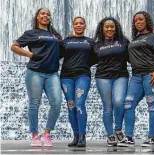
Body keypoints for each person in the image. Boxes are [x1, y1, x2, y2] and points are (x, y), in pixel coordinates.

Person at [10, 8, 62, 147]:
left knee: (56, 103)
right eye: (42, 14)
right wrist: (30, 55)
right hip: (35, 72)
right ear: (37, 17)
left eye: (48, 14)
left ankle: (47, 133)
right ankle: (34, 135)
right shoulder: (31, 33)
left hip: (52, 73)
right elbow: (14, 47)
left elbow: (61, 51)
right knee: (34, 104)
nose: (45, 16)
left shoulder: (54, 35)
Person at [117, 11, 154, 147]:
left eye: (140, 19)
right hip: (136, 76)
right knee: (128, 104)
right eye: (135, 20)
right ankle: (129, 137)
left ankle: (151, 138)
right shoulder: (134, 39)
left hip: (151, 75)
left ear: (147, 21)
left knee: (152, 105)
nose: (138, 22)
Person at [93, 17, 130, 146]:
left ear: (116, 28)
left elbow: (134, 56)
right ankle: (110, 135)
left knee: (119, 102)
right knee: (108, 107)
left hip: (120, 76)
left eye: (112, 26)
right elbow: (86, 59)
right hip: (103, 77)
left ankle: (118, 130)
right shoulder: (96, 45)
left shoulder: (124, 41)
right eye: (107, 27)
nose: (109, 29)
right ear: (102, 29)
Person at [60, 16, 96, 147]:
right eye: (76, 23)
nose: (79, 25)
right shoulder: (66, 41)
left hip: (82, 75)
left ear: (85, 26)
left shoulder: (91, 42)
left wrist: (85, 64)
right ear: (73, 26)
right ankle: (75, 135)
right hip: (66, 76)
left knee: (80, 104)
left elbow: (98, 56)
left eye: (81, 23)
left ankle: (82, 135)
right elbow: (54, 54)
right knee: (71, 106)